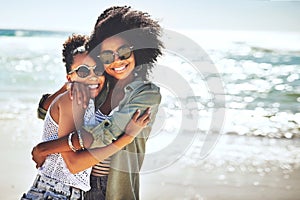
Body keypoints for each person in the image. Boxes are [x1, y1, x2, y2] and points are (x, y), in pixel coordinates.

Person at [33, 5, 163, 200]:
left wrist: (45, 148)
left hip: (110, 185)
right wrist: (71, 84)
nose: (117, 61)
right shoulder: (100, 84)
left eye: (124, 52)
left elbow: (106, 133)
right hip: (75, 186)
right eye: (108, 56)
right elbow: (45, 112)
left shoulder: (147, 94)